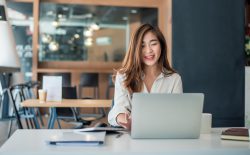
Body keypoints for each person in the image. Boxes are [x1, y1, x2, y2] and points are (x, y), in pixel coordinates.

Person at [108, 23, 183, 130]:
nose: (148, 50)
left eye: (153, 44)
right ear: (135, 49)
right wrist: (123, 119)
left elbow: (178, 114)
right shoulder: (124, 76)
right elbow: (119, 108)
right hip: (133, 137)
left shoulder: (174, 79)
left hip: (164, 136)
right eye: (142, 45)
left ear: (161, 46)